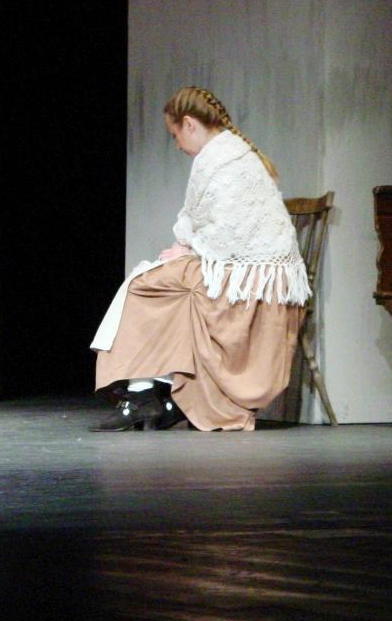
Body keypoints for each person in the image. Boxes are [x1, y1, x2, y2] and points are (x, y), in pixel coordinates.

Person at [91, 87, 309, 432]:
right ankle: (162, 396)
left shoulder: (222, 158)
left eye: (175, 134)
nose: (177, 144)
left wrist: (191, 246)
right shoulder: (229, 151)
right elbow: (216, 224)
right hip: (245, 270)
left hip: (251, 283)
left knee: (145, 286)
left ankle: (144, 395)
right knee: (161, 278)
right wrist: (192, 247)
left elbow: (226, 234)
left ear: (190, 124)